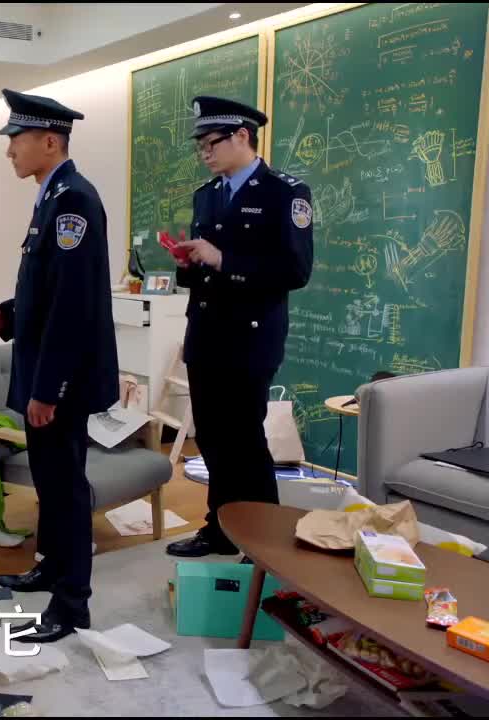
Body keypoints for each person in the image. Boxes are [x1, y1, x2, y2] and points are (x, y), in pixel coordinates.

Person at [0, 89, 119, 643]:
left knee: (66, 487)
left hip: (62, 379)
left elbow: (73, 304)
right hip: (44, 368)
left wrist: (49, 389)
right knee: (51, 482)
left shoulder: (74, 200)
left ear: (50, 141)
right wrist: (7, 313)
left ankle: (72, 603)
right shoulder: (51, 196)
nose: (9, 150)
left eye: (17, 140)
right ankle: (52, 566)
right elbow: (45, 287)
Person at [164, 96, 314, 558]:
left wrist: (223, 259)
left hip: (250, 337)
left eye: (212, 143)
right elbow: (205, 270)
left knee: (245, 441)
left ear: (242, 136)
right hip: (205, 334)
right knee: (211, 439)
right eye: (200, 146)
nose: (205, 153)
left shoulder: (284, 192)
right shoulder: (207, 194)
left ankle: (261, 541)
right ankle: (220, 528)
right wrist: (189, 264)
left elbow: (295, 271)